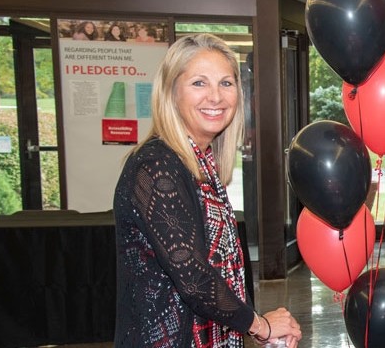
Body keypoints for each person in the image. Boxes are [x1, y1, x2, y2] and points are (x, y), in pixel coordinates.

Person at [114, 34, 302, 347]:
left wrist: (254, 322)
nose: (215, 97)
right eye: (199, 83)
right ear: (172, 92)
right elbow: (193, 277)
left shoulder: (200, 165)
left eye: (226, 83)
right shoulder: (155, 165)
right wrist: (259, 325)